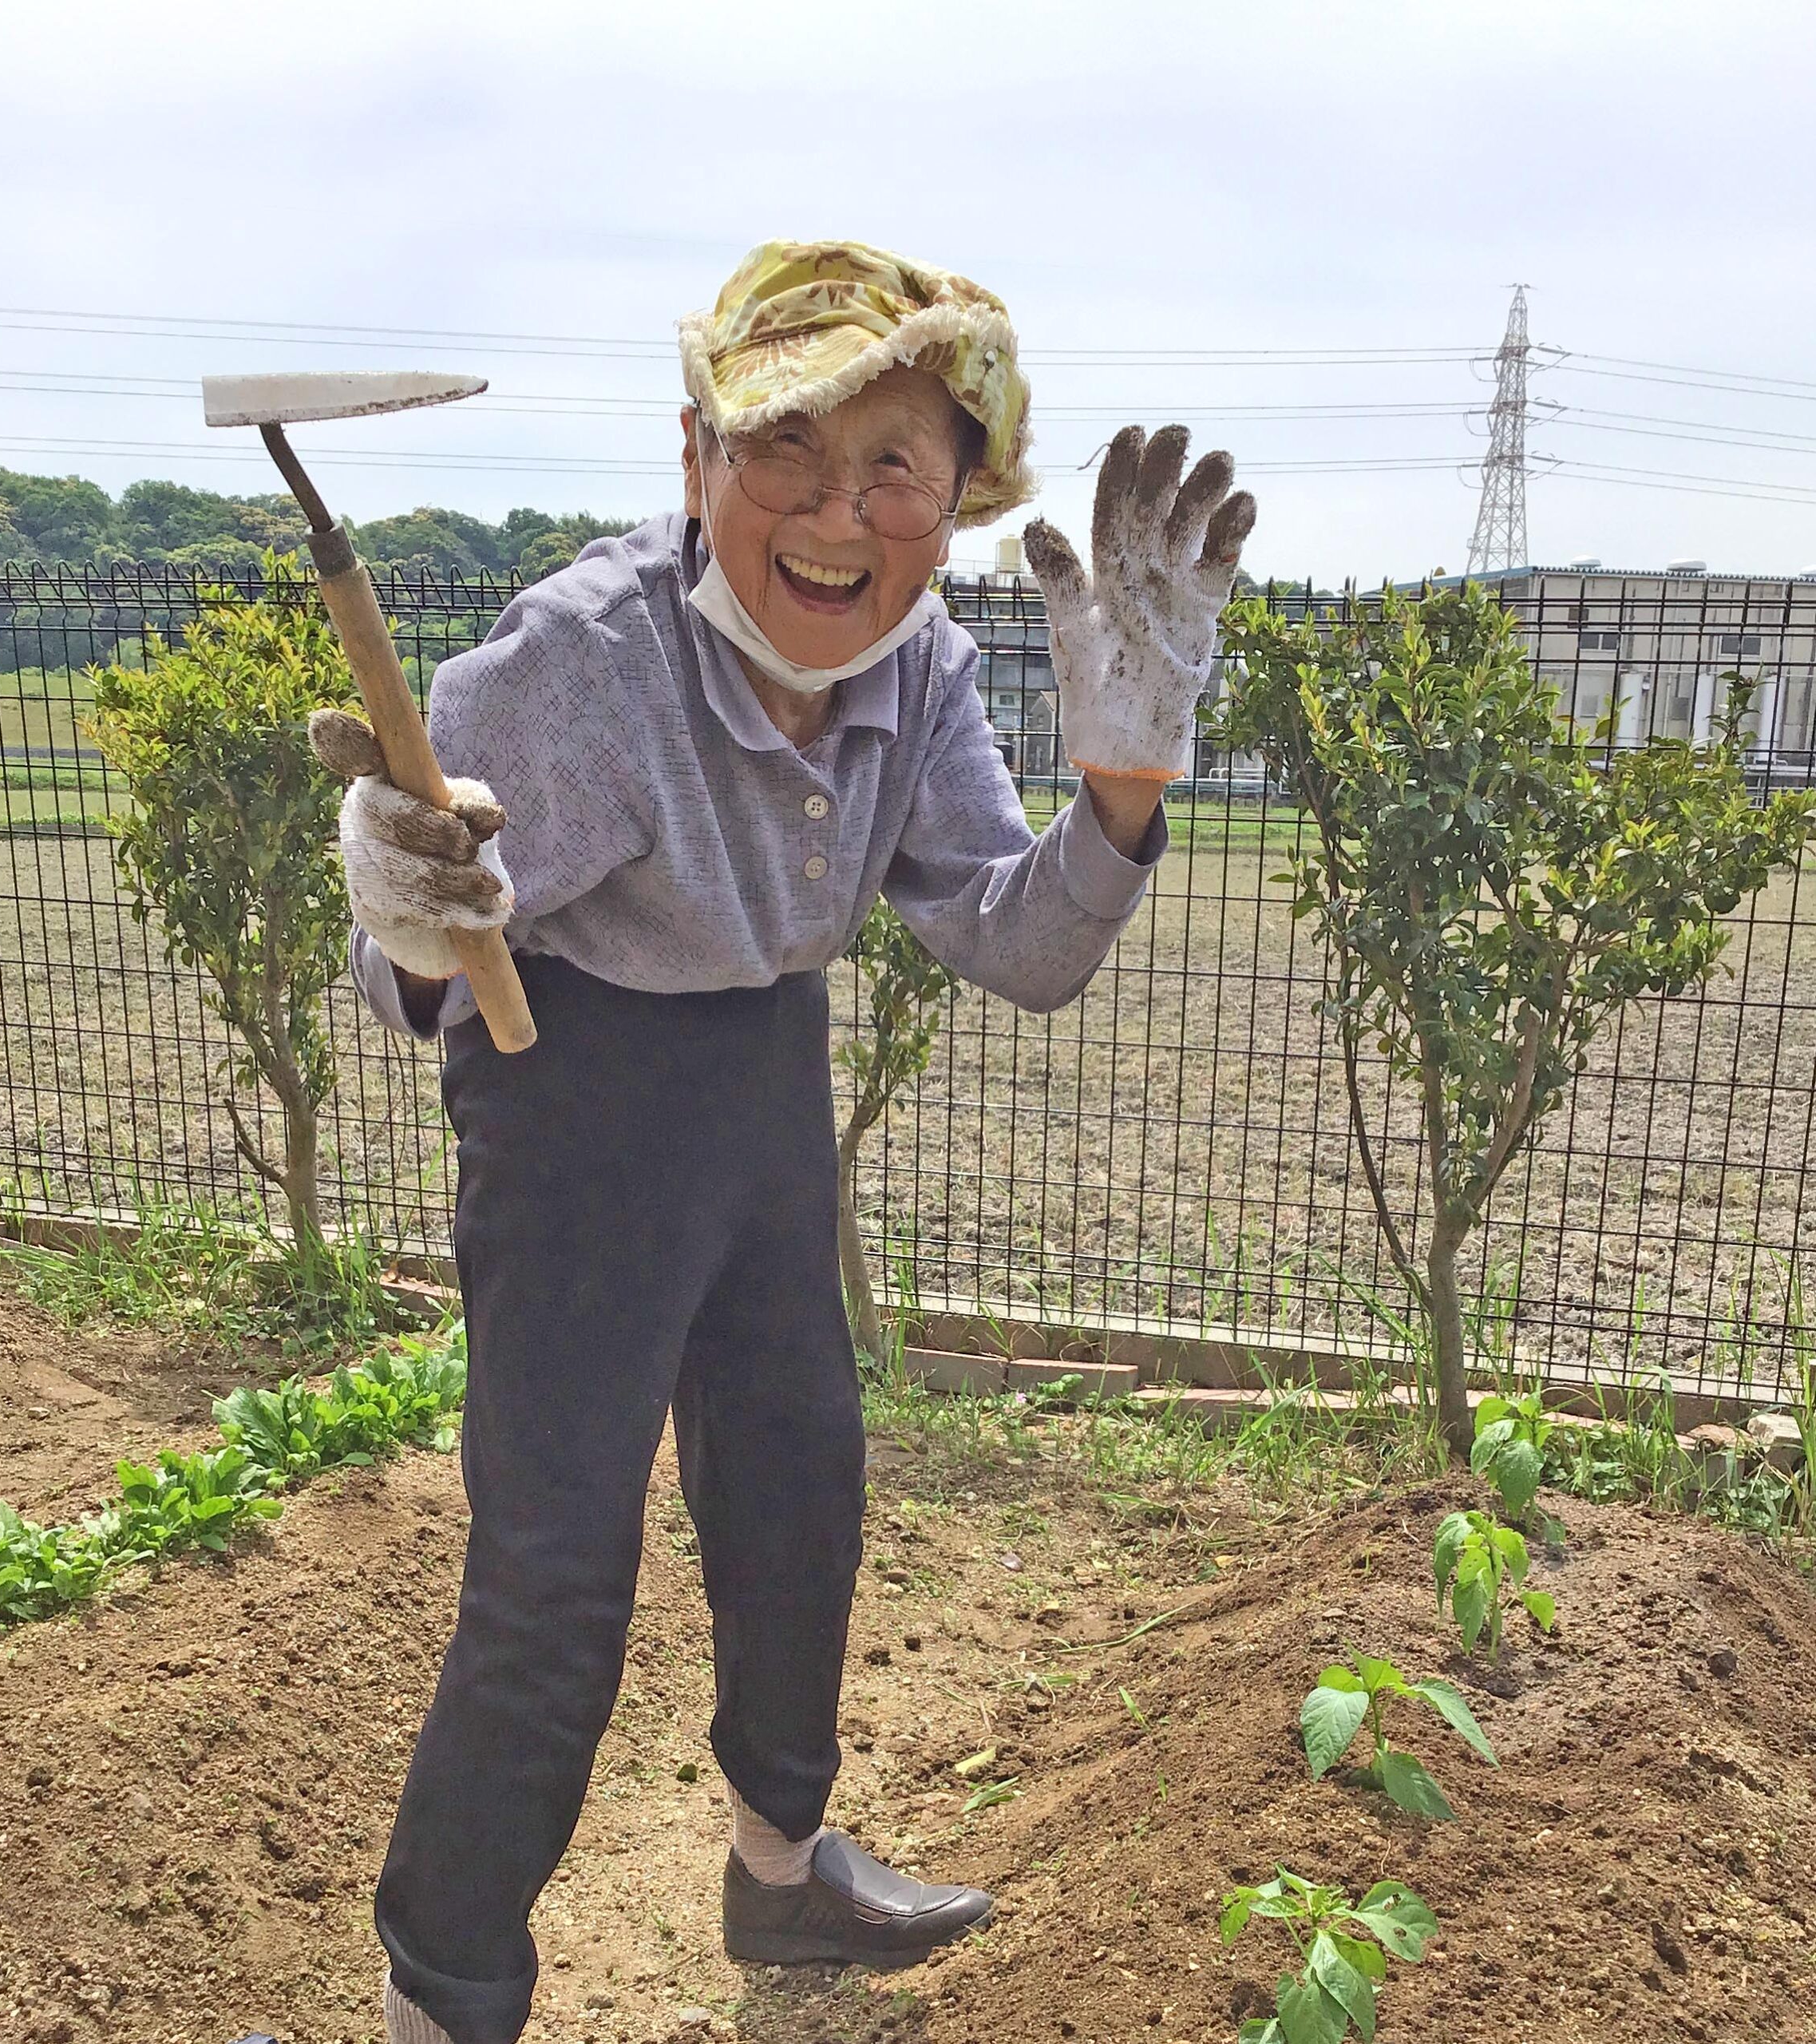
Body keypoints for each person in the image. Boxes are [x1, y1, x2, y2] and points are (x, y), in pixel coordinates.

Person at [313, 236, 1256, 2044]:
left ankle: (777, 1871)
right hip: (572, 1087)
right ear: (694, 463)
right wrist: (409, 909)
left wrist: (1123, 790)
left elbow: (1016, 941)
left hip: (762, 1069)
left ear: (958, 498)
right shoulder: (581, 667)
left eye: (895, 462)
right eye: (785, 453)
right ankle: (444, 1989)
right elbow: (414, 961)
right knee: (555, 1576)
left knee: (797, 1484)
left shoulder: (920, 670)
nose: (840, 512)